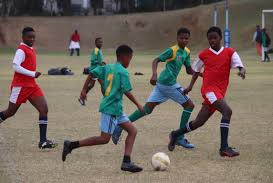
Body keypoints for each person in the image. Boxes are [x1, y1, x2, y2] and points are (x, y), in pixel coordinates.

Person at [62, 45, 144, 173]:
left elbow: (92, 72)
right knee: (104, 139)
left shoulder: (107, 67)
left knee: (132, 131)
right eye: (130, 58)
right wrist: (138, 105)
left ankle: (126, 162)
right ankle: (71, 144)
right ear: (123, 57)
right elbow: (127, 91)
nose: (130, 61)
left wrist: (84, 90)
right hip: (111, 108)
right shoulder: (123, 71)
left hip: (116, 108)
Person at [168, 26, 246, 157]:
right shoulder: (204, 55)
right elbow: (195, 70)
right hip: (209, 90)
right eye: (210, 38)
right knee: (227, 111)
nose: (212, 40)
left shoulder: (230, 52)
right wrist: (190, 86)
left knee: (199, 122)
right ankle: (224, 148)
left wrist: (242, 71)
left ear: (220, 38)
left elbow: (239, 65)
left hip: (220, 92)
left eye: (215, 38)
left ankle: (175, 134)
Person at [112, 27, 196, 148]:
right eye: (181, 38)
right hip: (168, 84)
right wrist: (154, 74)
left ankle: (120, 125)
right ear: (177, 38)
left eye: (186, 38)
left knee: (147, 109)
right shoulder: (172, 50)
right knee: (189, 105)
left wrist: (200, 73)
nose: (184, 40)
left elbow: (188, 70)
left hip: (163, 84)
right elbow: (156, 60)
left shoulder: (187, 52)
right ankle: (179, 137)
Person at [0, 27, 57, 149]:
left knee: (44, 109)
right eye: (29, 37)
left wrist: (33, 75)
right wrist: (32, 73)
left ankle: (43, 142)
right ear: (23, 37)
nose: (32, 39)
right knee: (10, 112)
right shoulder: (21, 50)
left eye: (33, 37)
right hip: (20, 87)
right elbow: (15, 66)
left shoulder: (30, 48)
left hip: (32, 86)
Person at [78, 37, 105, 105]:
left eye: (101, 42)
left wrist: (102, 63)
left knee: (92, 85)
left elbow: (100, 60)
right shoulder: (96, 50)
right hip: (95, 70)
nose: (100, 43)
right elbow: (93, 60)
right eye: (99, 42)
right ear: (95, 43)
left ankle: (81, 97)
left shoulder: (99, 50)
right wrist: (100, 63)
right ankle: (106, 99)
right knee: (103, 84)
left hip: (98, 69)